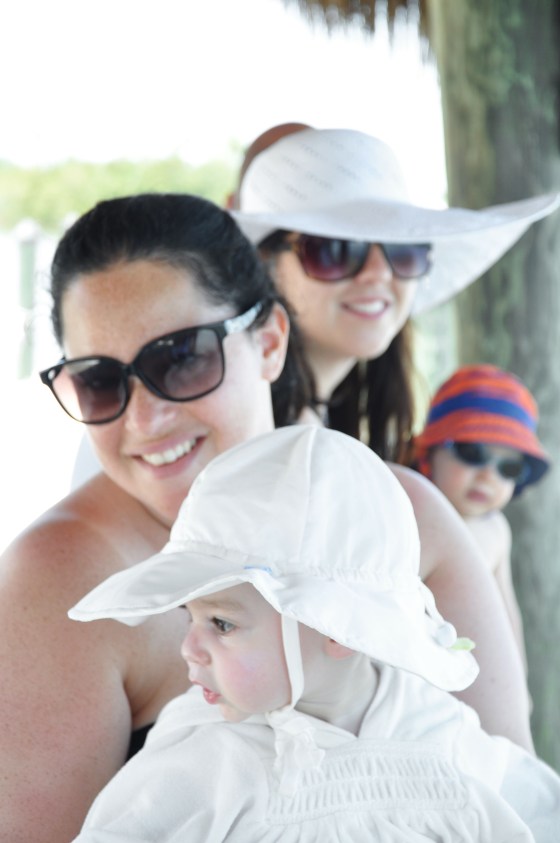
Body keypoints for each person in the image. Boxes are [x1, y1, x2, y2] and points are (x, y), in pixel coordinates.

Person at [230, 123, 560, 746]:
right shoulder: (252, 432)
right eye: (336, 250)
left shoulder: (323, 426)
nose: (379, 273)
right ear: (263, 265)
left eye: (403, 251)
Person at [70, 426, 560, 842]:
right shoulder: (202, 758)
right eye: (190, 617)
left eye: (221, 623)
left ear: (337, 627)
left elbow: (539, 811)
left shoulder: (439, 733)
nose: (189, 648)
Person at [0, 192, 312, 842]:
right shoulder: (61, 583)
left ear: (271, 341)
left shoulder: (408, 519)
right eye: (100, 380)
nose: (144, 419)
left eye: (182, 356)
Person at [412, 364, 551, 671]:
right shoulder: (410, 510)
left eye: (509, 468)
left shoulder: (496, 529)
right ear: (429, 452)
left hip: (471, 673)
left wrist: (518, 682)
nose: (488, 474)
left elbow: (507, 616)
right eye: (473, 453)